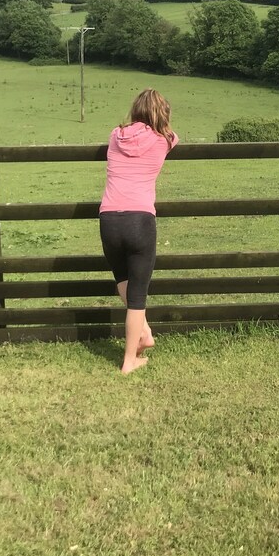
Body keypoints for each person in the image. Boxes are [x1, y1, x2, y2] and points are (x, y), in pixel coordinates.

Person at [98, 88, 179, 373]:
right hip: (140, 219)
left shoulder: (115, 136)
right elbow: (173, 136)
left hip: (108, 218)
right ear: (161, 114)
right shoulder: (164, 140)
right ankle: (129, 360)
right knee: (138, 298)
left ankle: (144, 333)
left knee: (122, 277)